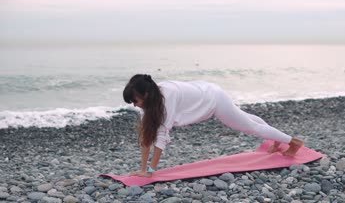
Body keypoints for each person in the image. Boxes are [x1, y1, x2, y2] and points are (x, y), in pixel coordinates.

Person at [123, 74, 304, 177]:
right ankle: (276, 140)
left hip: (213, 100)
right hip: (207, 90)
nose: (135, 105)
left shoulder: (167, 97)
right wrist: (142, 169)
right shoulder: (148, 103)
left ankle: (293, 142)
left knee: (248, 126)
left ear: (146, 93)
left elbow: (161, 134)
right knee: (246, 119)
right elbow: (146, 136)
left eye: (135, 100)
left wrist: (151, 171)